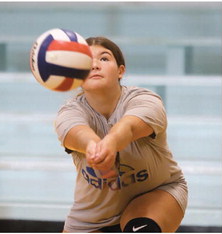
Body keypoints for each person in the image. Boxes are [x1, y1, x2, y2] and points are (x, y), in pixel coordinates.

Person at [54, 36, 188, 233]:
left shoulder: (145, 100)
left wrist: (111, 142)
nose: (95, 65)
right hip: (92, 217)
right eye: (86, 61)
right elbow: (77, 134)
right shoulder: (68, 112)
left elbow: (130, 127)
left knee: (140, 229)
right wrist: (94, 148)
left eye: (104, 59)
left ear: (120, 71)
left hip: (158, 192)